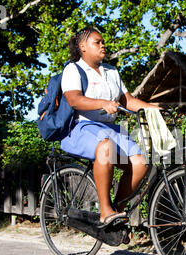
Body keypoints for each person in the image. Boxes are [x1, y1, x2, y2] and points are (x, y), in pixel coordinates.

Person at [60, 27, 158, 228]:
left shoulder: (112, 71)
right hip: (81, 127)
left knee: (140, 163)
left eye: (103, 41)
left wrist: (153, 108)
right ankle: (105, 211)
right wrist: (102, 103)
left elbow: (127, 100)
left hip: (109, 128)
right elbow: (74, 99)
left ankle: (117, 213)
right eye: (97, 42)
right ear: (82, 47)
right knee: (105, 148)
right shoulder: (73, 69)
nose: (103, 45)